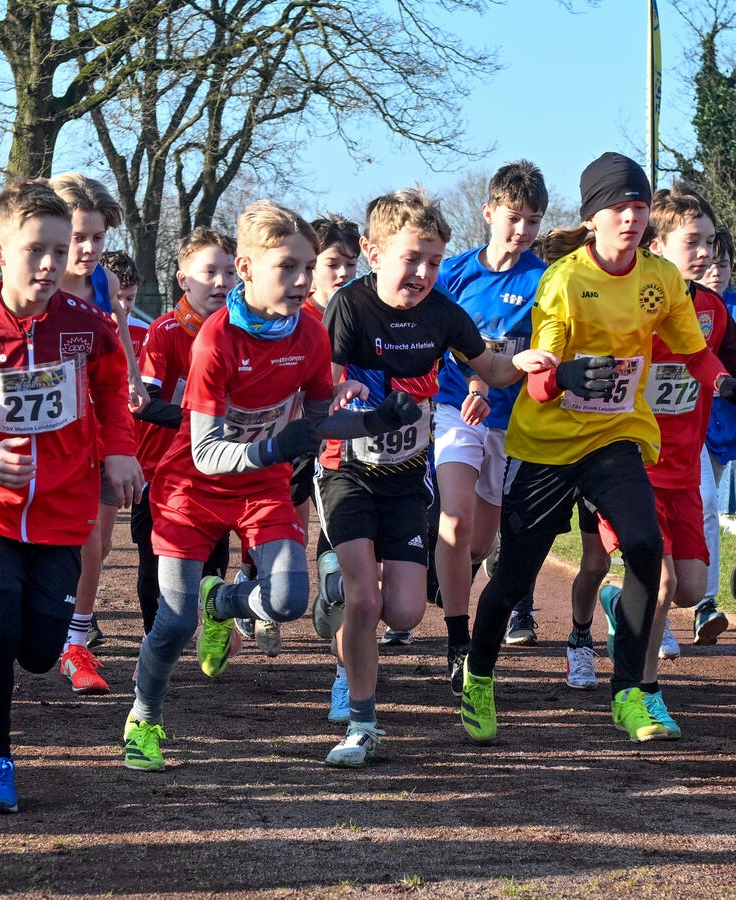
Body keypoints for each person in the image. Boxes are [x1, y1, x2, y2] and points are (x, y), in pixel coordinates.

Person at [122, 201, 409, 773]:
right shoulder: (215, 341)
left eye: (309, 266)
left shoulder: (309, 333)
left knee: (288, 602)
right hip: (191, 486)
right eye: (288, 267)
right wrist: (276, 445)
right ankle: (144, 717)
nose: (304, 280)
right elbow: (205, 451)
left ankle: (222, 600)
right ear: (247, 268)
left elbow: (322, 421)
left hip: (263, 488)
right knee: (175, 622)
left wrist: (377, 420)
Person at [461, 153, 736, 745]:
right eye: (618, 208)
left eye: (639, 207)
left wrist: (721, 381)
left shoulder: (660, 279)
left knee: (642, 548)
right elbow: (537, 374)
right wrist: (565, 378)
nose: (632, 218)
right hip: (548, 445)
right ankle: (478, 676)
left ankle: (630, 693)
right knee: (513, 577)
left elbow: (692, 351)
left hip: (617, 436)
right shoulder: (562, 281)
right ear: (592, 218)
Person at [0, 178, 141, 812]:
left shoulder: (90, 326)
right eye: (35, 249)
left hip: (65, 512)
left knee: (41, 652)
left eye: (60, 250)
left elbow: (111, 397)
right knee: (3, 629)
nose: (49, 264)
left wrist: (120, 450)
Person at [316, 187, 553, 767]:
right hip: (346, 471)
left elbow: (489, 366)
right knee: (368, 606)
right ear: (373, 253)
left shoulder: (443, 311)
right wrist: (338, 391)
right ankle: (363, 724)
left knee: (401, 611)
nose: (423, 272)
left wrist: (517, 365)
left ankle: (337, 600)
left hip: (404, 476)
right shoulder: (348, 307)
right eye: (410, 259)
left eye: (433, 260)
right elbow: (322, 378)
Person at [589, 182, 736, 736]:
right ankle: (641, 693)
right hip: (631, 467)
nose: (705, 253)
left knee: (694, 590)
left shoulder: (714, 312)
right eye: (692, 242)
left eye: (711, 242)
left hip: (686, 470)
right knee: (665, 583)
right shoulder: (632, 305)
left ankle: (615, 597)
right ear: (656, 248)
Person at [431, 160, 548, 693]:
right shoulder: (453, 274)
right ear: (488, 212)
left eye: (533, 220)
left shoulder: (542, 281)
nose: (522, 230)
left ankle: (453, 577)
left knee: (480, 543)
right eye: (513, 217)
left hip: (510, 421)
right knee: (453, 524)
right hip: (455, 409)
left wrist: (494, 384)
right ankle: (459, 642)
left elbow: (537, 353)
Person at [48, 172, 146, 693]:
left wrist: (130, 376)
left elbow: (116, 332)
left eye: (97, 238)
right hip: (41, 432)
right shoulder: (33, 285)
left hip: (95, 424)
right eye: (77, 238)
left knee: (97, 540)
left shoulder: (102, 282)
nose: (87, 250)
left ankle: (77, 643)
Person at [129, 228, 235, 635]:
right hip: (158, 472)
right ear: (183, 279)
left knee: (212, 563)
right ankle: (151, 646)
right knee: (153, 563)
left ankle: (215, 626)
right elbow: (145, 405)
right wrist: (204, 421)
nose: (221, 282)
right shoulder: (164, 331)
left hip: (214, 469)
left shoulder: (240, 332)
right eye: (209, 271)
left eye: (228, 272)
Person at [295, 214, 359, 670]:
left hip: (340, 444)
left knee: (339, 536)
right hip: (288, 442)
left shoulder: (360, 310)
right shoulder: (294, 313)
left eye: (351, 265)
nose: (342, 274)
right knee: (285, 537)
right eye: (333, 263)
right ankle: (253, 589)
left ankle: (343, 659)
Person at [699, 226, 736, 644]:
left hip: (728, 429)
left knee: (708, 507)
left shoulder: (731, 308)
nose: (715, 269)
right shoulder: (682, 304)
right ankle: (704, 603)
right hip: (697, 428)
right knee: (705, 503)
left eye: (722, 263)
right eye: (709, 261)